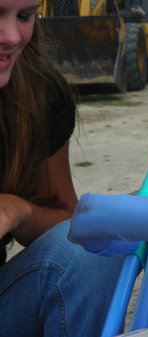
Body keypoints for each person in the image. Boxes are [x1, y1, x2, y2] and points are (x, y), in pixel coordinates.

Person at [0, 1, 123, 336]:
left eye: (25, 16)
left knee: (92, 247)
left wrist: (18, 211)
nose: (11, 36)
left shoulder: (37, 92)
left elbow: (69, 228)